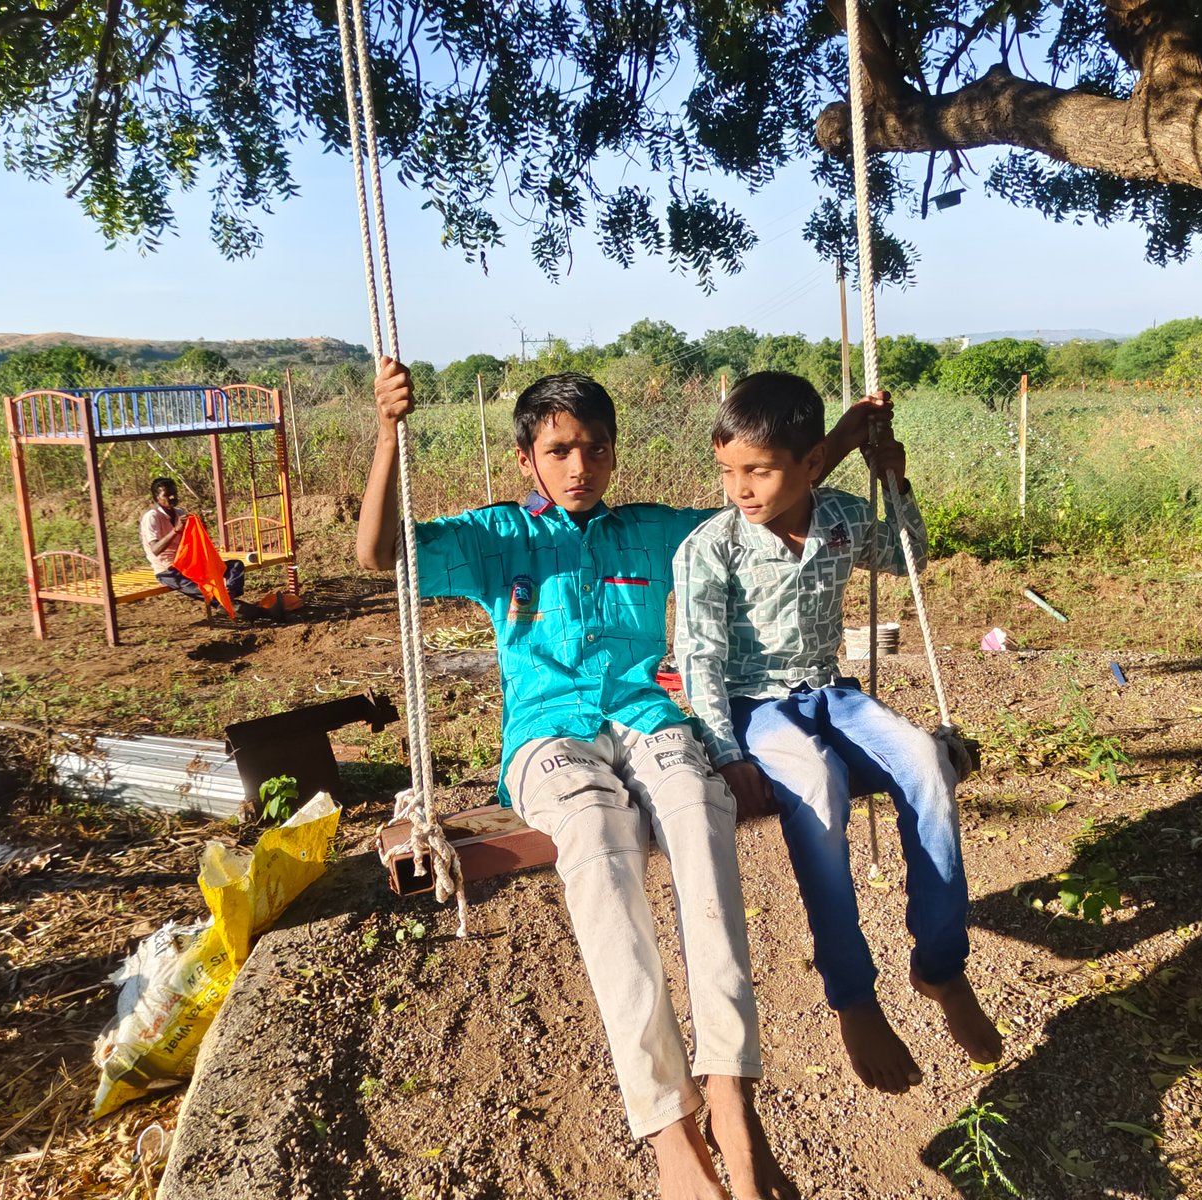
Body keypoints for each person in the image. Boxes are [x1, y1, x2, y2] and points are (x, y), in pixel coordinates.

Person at [357, 361, 879, 1200]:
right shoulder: (499, 540)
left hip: (650, 720)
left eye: (594, 449)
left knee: (701, 821)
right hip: (547, 742)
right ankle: (669, 1128)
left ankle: (731, 1098)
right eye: (559, 450)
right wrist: (388, 433)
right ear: (527, 459)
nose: (579, 467)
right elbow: (380, 553)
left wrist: (840, 443)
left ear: (613, 455)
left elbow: (762, 500)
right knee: (598, 848)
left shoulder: (650, 532)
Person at [672, 371, 1001, 1097]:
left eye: (758, 471)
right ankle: (854, 996)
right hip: (755, 705)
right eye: (728, 471)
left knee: (924, 760)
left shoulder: (844, 517)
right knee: (816, 786)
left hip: (831, 692)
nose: (741, 489)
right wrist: (727, 754)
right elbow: (699, 658)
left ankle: (940, 968)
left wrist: (898, 482)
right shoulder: (711, 547)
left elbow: (908, 553)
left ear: (811, 464)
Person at [139, 477, 270, 620]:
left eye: (174, 493)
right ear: (156, 498)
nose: (172, 497)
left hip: (189, 563)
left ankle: (229, 596)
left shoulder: (180, 512)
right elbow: (155, 549)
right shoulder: (152, 517)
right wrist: (176, 530)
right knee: (206, 589)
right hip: (169, 569)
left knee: (235, 566)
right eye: (167, 495)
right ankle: (244, 608)